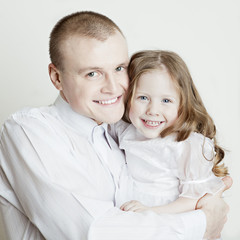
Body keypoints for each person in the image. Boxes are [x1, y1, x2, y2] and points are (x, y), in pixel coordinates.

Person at [0, 11, 230, 240]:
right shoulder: (28, 130)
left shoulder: (124, 131)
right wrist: (205, 221)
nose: (113, 87)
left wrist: (207, 194)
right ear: (57, 77)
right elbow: (93, 231)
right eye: (93, 73)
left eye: (120, 68)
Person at [110, 50, 228, 219]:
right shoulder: (124, 130)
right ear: (128, 98)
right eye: (143, 98)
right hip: (132, 215)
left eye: (166, 101)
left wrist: (151, 212)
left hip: (171, 218)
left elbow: (193, 201)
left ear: (183, 104)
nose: (153, 111)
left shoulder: (186, 145)